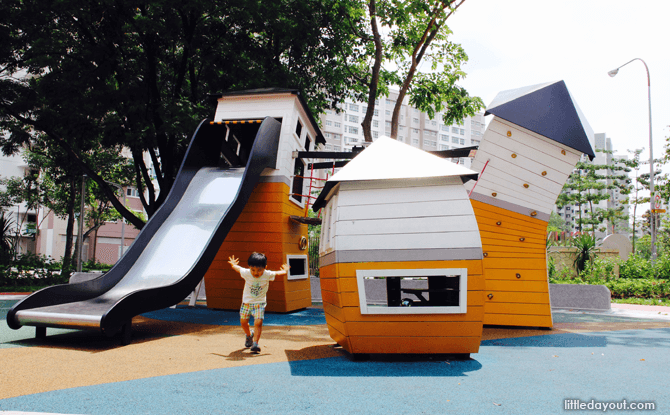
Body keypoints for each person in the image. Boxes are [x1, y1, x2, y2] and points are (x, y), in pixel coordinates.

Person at [228, 252, 289, 353]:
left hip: (259, 303)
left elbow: (277, 274)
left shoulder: (267, 274)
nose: (256, 273)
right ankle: (249, 335)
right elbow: (238, 269)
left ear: (265, 267)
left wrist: (285, 271)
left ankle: (255, 343)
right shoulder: (247, 273)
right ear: (249, 267)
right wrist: (233, 264)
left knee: (258, 322)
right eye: (253, 270)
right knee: (243, 322)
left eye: (259, 270)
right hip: (246, 303)